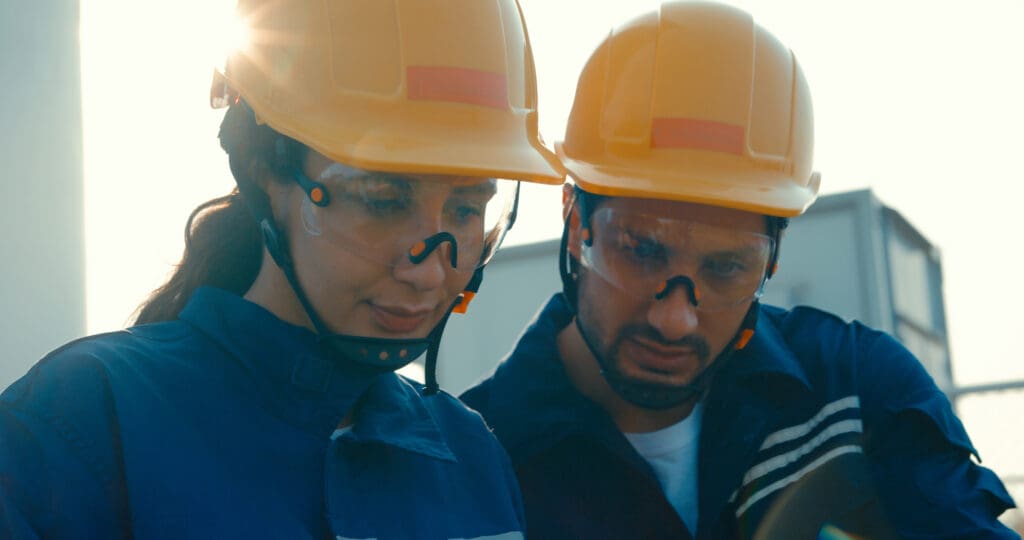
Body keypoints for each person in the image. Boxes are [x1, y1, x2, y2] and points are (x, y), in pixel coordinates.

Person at [0, 0, 564, 537]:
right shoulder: (82, 423)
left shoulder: (469, 453)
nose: (429, 273)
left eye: (466, 210)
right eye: (382, 200)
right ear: (264, 169)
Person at [461, 2, 1018, 539]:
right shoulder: (475, 459)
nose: (676, 320)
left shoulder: (855, 396)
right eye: (641, 251)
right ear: (574, 219)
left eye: (728, 267)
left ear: (772, 256)